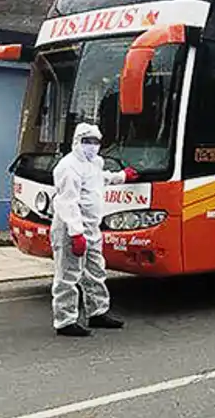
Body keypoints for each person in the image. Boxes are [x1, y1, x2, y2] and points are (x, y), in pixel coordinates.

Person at [51, 123, 139, 337]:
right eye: (87, 141)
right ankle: (65, 320)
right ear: (77, 142)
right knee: (68, 274)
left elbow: (101, 179)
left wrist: (121, 177)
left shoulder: (94, 163)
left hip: (91, 227)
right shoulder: (67, 167)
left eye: (96, 141)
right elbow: (66, 202)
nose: (92, 146)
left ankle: (97, 312)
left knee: (95, 271)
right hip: (71, 228)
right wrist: (75, 232)